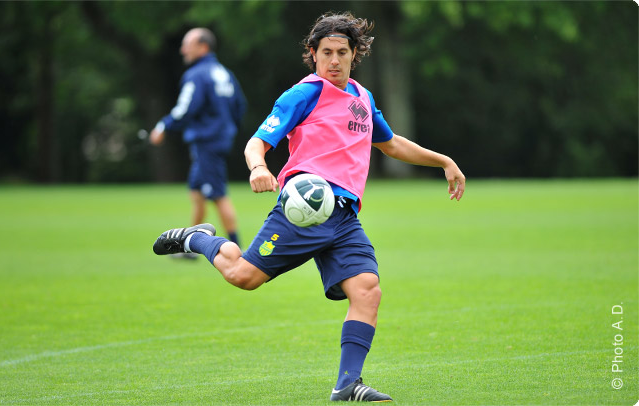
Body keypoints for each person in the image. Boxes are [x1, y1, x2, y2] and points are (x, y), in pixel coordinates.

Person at [152, 12, 465, 402]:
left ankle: (347, 384)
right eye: (326, 52)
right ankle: (197, 238)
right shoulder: (304, 94)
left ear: (355, 55)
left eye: (343, 52)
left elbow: (391, 144)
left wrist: (444, 161)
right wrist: (258, 168)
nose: (334, 60)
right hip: (304, 209)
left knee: (367, 290)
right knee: (243, 276)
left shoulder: (362, 98)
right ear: (313, 55)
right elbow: (257, 142)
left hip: (345, 217)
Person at [150, 27, 246, 249]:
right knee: (196, 192)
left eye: (187, 44)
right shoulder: (224, 72)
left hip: (206, 142)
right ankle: (190, 248)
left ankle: (238, 249)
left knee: (218, 194)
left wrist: (164, 125)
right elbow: (240, 106)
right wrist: (228, 129)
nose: (183, 50)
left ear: (203, 47)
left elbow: (185, 108)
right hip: (220, 139)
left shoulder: (196, 75)